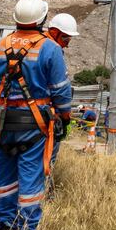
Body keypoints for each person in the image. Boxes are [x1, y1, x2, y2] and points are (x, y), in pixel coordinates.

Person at [0, 0, 73, 230]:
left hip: (2, 123)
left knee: (6, 176)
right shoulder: (49, 48)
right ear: (42, 19)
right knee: (30, 177)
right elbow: (60, 90)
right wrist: (65, 117)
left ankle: (5, 226)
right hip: (34, 125)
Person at [44, 13, 79, 164]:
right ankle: (43, 185)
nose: (67, 42)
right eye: (65, 38)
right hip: (46, 115)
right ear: (54, 32)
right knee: (46, 159)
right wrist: (65, 118)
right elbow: (60, 88)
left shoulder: (37, 45)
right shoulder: (52, 49)